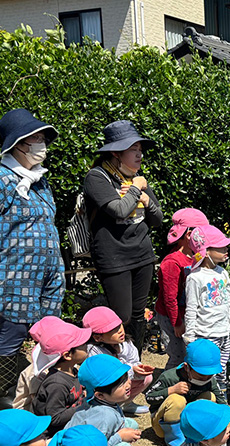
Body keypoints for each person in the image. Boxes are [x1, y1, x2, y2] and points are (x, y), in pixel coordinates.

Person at [0, 109, 64, 410]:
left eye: (43, 138)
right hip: (13, 273)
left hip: (49, 270)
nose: (42, 144)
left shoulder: (40, 181)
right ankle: (4, 394)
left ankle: (43, 387)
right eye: (36, 138)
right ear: (17, 144)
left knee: (49, 329)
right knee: (13, 331)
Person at [84, 120, 162, 354]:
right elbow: (118, 209)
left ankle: (133, 362)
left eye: (140, 150)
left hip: (142, 255)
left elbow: (157, 219)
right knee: (122, 315)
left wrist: (147, 201)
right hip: (114, 257)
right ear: (116, 153)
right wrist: (138, 189)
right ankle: (109, 361)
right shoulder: (97, 178)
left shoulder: (136, 177)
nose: (139, 155)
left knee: (139, 314)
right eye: (133, 150)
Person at [183, 225, 230, 404]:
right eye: (220, 247)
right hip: (205, 334)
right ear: (206, 251)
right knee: (205, 373)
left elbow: (228, 302)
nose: (226, 250)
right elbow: (191, 308)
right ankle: (200, 403)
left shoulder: (222, 273)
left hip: (223, 333)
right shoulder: (195, 277)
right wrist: (189, 336)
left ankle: (221, 403)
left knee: (221, 372)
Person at [69, 355, 141, 446]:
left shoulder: (103, 401)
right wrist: (120, 437)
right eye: (121, 384)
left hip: (90, 440)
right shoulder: (104, 416)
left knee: (130, 424)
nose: (128, 384)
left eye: (126, 378)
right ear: (100, 395)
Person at [156, 208, 207, 369]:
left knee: (189, 353)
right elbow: (169, 298)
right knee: (177, 355)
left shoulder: (195, 257)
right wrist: (176, 323)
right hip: (171, 316)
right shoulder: (172, 262)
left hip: (187, 313)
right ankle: (165, 386)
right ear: (188, 235)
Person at [146, 339, 221, 446]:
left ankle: (196, 431)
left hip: (187, 421)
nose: (205, 379)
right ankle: (175, 438)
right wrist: (171, 390)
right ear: (186, 367)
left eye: (209, 376)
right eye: (200, 375)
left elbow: (221, 401)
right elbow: (149, 397)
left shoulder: (210, 380)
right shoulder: (169, 376)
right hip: (163, 425)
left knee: (210, 397)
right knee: (177, 400)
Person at [82, 306, 154, 415]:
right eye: (113, 330)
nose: (120, 331)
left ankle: (124, 403)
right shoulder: (94, 351)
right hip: (105, 388)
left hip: (122, 380)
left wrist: (137, 368)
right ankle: (107, 408)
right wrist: (132, 370)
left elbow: (134, 360)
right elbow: (106, 378)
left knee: (147, 378)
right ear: (98, 338)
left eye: (119, 326)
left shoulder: (125, 343)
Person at [31, 318, 91, 434]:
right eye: (82, 345)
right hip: (53, 433)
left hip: (69, 423)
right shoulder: (57, 384)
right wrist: (83, 406)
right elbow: (55, 418)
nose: (86, 346)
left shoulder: (72, 370)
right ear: (67, 355)